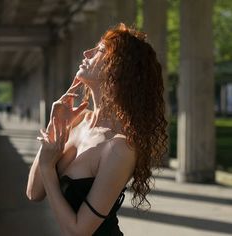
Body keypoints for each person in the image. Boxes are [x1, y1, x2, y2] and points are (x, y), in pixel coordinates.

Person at [26, 23, 168, 236]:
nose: (87, 53)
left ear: (118, 68)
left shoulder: (120, 147)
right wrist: (54, 124)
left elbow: (79, 231)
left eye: (100, 51)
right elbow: (34, 192)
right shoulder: (78, 121)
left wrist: (48, 167)